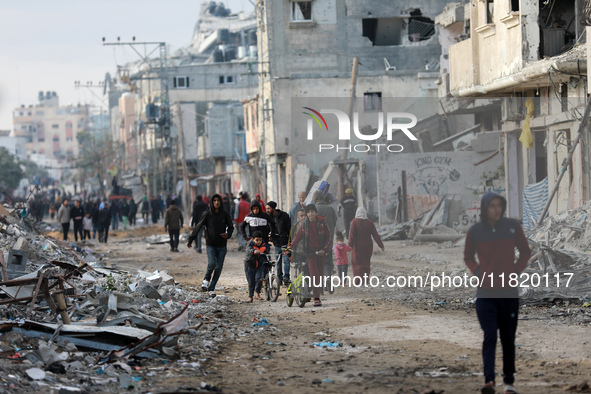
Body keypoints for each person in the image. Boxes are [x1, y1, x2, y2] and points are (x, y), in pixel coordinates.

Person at [464, 192, 531, 394]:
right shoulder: (475, 231)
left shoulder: (512, 227)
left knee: (508, 338)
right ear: (485, 209)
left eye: (499, 205)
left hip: (509, 293)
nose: (496, 209)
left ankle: (509, 382)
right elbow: (468, 256)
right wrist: (477, 271)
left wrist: (516, 270)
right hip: (485, 294)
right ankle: (489, 380)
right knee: (490, 334)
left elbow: (525, 252)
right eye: (492, 206)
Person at [187, 194, 234, 298]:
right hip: (211, 245)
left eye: (218, 200)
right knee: (212, 263)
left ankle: (211, 288)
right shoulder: (207, 214)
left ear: (221, 202)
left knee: (219, 267)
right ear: (211, 203)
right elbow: (198, 226)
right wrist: (191, 239)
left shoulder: (225, 214)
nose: (216, 202)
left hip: (222, 245)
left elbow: (231, 227)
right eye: (214, 201)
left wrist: (228, 234)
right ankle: (206, 280)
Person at [289, 204, 332, 307]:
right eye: (308, 212)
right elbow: (298, 237)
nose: (310, 214)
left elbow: (328, 237)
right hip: (310, 253)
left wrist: (324, 249)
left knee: (320, 276)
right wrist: (290, 247)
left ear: (316, 212)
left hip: (321, 253)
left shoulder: (322, 222)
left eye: (312, 211)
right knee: (314, 275)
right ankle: (316, 299)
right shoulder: (304, 224)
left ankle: (317, 294)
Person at [348, 207, 384, 278]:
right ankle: (365, 279)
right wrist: (381, 245)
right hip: (368, 246)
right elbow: (375, 235)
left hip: (357, 246)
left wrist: (349, 247)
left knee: (356, 262)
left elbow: (351, 235)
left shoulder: (354, 222)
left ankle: (358, 279)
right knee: (366, 263)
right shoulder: (370, 223)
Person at [266, 201, 292, 286]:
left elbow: (289, 229)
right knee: (278, 262)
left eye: (269, 208)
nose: (267, 210)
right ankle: (279, 278)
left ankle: (286, 278)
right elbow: (268, 228)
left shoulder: (284, 216)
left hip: (284, 242)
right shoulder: (268, 218)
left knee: (286, 261)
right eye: (266, 208)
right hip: (276, 243)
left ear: (273, 208)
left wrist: (290, 241)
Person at [312, 190, 337, 276]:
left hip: (315, 240)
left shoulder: (312, 210)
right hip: (328, 239)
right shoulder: (330, 208)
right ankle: (328, 278)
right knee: (327, 261)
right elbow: (335, 221)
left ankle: (319, 281)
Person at [243, 231, 268, 302]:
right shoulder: (249, 243)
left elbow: (265, 252)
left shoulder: (263, 244)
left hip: (259, 264)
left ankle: (258, 294)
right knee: (251, 281)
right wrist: (254, 251)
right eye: (257, 240)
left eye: (260, 240)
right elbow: (249, 250)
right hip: (250, 265)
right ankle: (251, 297)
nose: (259, 242)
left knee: (259, 279)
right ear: (253, 239)